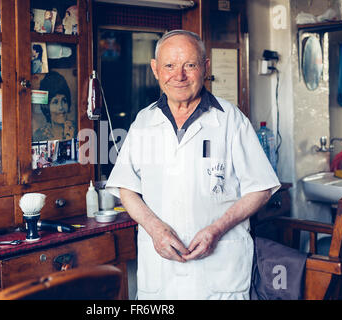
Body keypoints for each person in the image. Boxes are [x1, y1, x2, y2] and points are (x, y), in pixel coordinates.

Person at [106, 30, 280, 300]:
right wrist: (155, 229)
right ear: (155, 69)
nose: (179, 75)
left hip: (220, 272)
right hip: (161, 276)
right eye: (169, 66)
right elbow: (126, 188)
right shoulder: (144, 121)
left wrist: (216, 229)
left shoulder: (231, 120)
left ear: (205, 67)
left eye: (190, 65)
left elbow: (261, 189)